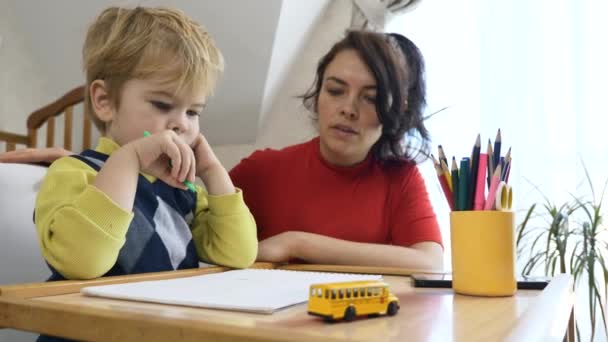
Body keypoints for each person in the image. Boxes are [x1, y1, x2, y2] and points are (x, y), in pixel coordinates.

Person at [34, 6, 257, 284]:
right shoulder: (72, 173)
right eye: (163, 105)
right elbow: (83, 263)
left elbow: (239, 254)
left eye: (193, 112)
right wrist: (128, 160)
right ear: (104, 101)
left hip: (163, 325)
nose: (182, 124)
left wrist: (211, 170)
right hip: (85, 327)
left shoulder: (185, 190)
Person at [229, 31, 443, 270]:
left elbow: (429, 263)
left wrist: (297, 243)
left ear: (397, 110)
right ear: (318, 92)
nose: (348, 109)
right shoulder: (260, 171)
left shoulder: (401, 178)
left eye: (371, 98)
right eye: (335, 90)